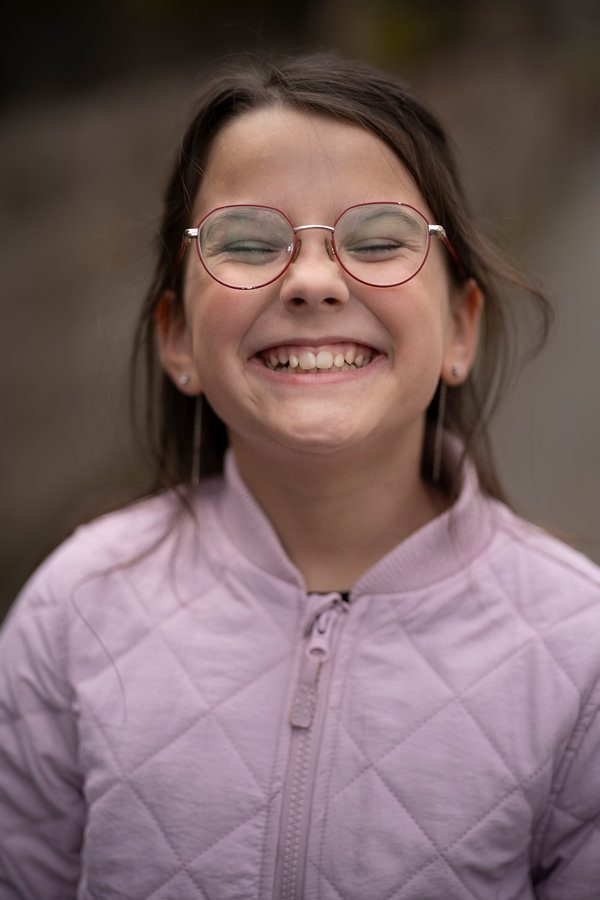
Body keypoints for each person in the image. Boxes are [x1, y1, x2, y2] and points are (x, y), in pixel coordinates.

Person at [1, 52, 599, 900]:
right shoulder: (72, 615)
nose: (314, 281)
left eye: (380, 240)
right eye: (246, 242)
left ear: (462, 329)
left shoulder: (579, 651)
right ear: (177, 340)